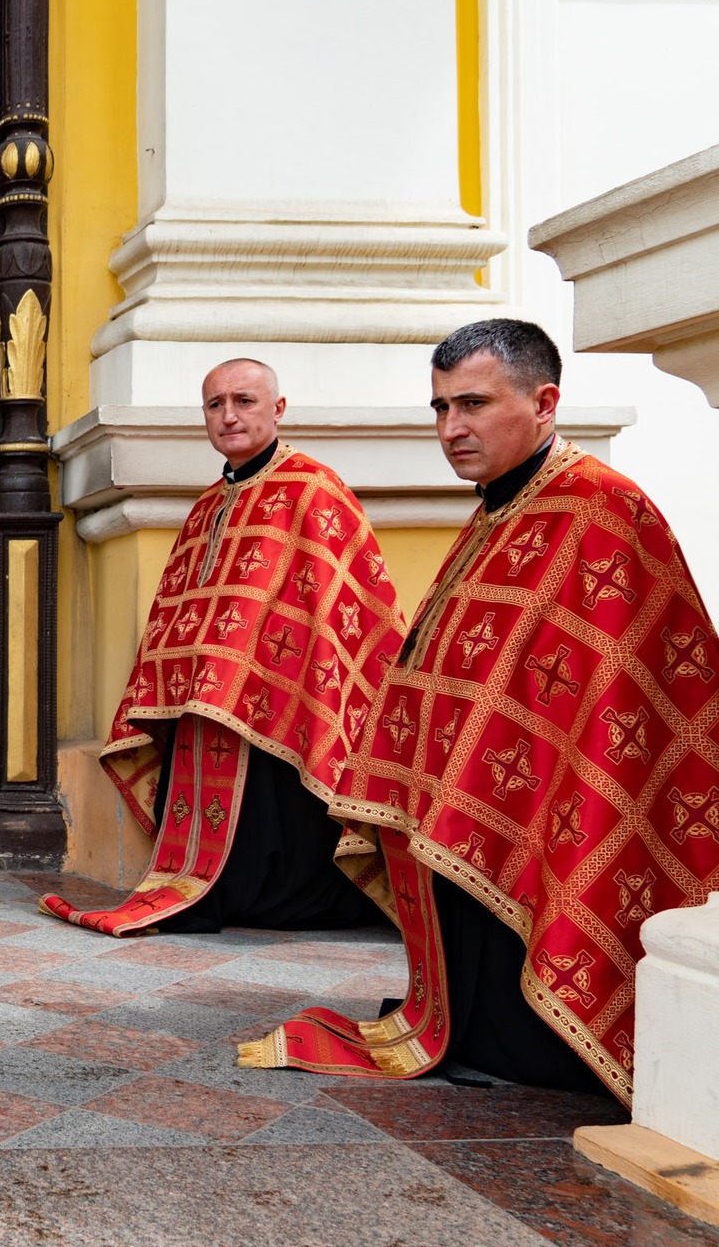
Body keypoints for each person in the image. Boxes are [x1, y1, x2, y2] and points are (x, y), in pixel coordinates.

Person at [241, 319, 719, 1105]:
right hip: (494, 783)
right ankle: (473, 1024)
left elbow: (618, 695)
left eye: (471, 404)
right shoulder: (500, 505)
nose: (450, 429)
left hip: (565, 790)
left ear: (545, 402)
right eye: (439, 409)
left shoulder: (603, 508)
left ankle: (537, 1039)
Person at [42, 359, 404, 935]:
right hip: (205, 699)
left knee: (276, 807)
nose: (229, 416)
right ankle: (224, 889)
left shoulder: (313, 488)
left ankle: (291, 894)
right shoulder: (208, 504)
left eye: (244, 401)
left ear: (277, 409)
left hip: (286, 696)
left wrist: (265, 666)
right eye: (215, 405)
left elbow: (341, 602)